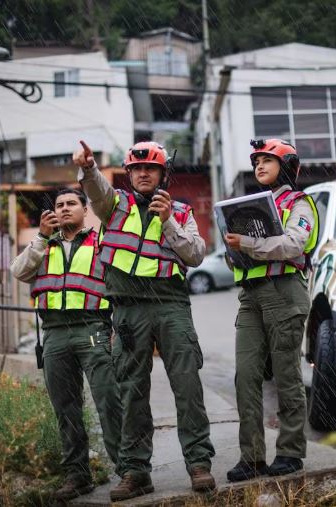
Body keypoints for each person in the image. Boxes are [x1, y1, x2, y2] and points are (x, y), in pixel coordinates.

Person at [73, 140, 216, 501]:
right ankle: (136, 472)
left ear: (163, 174)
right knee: (131, 391)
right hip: (128, 309)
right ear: (129, 173)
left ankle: (199, 464)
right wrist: (88, 168)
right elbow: (96, 190)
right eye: (136, 168)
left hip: (171, 305)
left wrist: (167, 222)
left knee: (187, 386)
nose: (142, 174)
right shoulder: (113, 205)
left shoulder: (180, 212)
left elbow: (196, 254)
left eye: (150, 168)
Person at [10, 188, 123, 500]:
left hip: (93, 327)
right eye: (59, 205)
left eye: (71, 203)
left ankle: (127, 470)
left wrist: (117, 327)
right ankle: (78, 476)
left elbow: (118, 285)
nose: (64, 209)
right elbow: (19, 272)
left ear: (85, 210)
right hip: (55, 333)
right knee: (65, 409)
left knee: (108, 400)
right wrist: (41, 237)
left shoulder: (101, 242)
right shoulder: (43, 245)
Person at [223, 139, 319, 482]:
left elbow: (294, 244)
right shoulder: (250, 207)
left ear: (287, 166)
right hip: (250, 297)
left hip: (285, 293)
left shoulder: (299, 203)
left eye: (267, 160)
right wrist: (234, 249)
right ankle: (251, 458)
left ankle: (291, 453)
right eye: (256, 162)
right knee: (246, 376)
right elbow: (239, 257)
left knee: (286, 376)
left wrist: (247, 243)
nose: (259, 166)